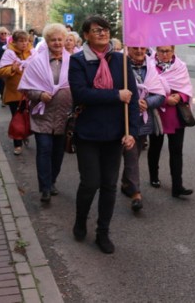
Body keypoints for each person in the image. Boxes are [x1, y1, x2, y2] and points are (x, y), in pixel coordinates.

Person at [69, 15, 139, 254]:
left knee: (109, 185)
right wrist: (115, 95)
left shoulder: (121, 60)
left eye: (106, 29)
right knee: (90, 182)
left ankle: (102, 232)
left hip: (115, 133)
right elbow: (80, 94)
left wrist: (133, 134)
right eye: (96, 30)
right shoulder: (78, 61)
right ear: (86, 35)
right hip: (88, 132)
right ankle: (80, 220)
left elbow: (133, 97)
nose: (103, 33)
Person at [18, 23, 72, 203]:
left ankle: (52, 181)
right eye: (53, 39)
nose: (57, 43)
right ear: (47, 41)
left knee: (58, 153)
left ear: (65, 41)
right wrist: (40, 95)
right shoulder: (36, 61)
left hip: (63, 116)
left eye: (60, 39)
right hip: (42, 116)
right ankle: (45, 188)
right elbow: (26, 87)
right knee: (44, 150)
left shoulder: (72, 61)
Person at [121, 46, 166, 212]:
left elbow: (161, 95)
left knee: (135, 153)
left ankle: (126, 183)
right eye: (135, 48)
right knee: (131, 154)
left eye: (142, 48)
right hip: (123, 118)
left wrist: (146, 103)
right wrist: (132, 102)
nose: (139, 51)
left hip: (143, 120)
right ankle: (135, 193)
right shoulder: (121, 65)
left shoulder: (151, 68)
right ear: (129, 49)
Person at [147, 45, 194, 198]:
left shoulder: (180, 67)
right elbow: (146, 90)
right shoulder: (149, 65)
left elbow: (187, 87)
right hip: (158, 113)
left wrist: (180, 97)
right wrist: (165, 100)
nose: (165, 54)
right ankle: (154, 177)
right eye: (161, 51)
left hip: (176, 116)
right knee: (155, 147)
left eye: (168, 51)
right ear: (157, 51)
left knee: (176, 151)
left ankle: (177, 186)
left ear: (173, 51)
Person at [0, 30, 35, 156]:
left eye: (26, 40)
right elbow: (1, 71)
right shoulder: (9, 53)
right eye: (21, 41)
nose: (24, 43)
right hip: (15, 92)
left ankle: (24, 134)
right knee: (17, 117)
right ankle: (17, 144)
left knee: (28, 117)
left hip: (30, 92)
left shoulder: (33, 52)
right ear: (15, 41)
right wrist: (12, 68)